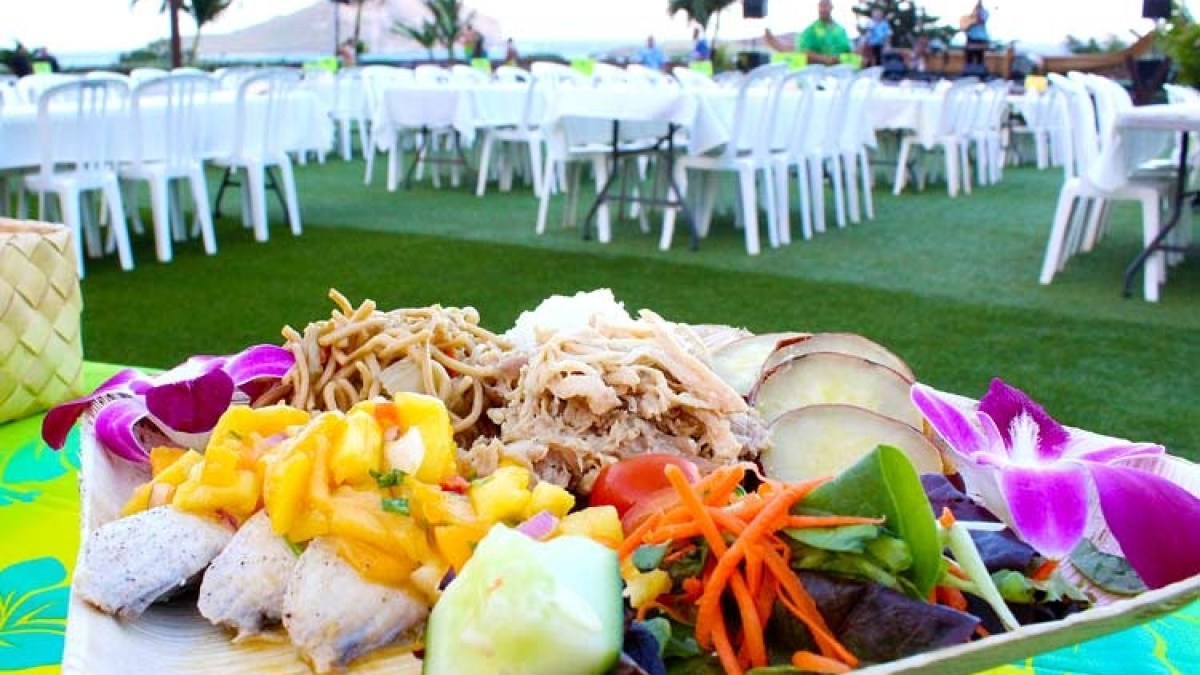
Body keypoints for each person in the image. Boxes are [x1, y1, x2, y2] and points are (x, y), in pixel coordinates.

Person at [763, 0, 852, 64]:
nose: (822, 10)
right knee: (794, 51)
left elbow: (848, 49)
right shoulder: (811, 30)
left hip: (842, 72)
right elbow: (804, 50)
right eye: (821, 6)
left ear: (831, 7)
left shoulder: (841, 30)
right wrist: (825, 59)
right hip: (817, 72)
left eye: (825, 6)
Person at [962, 1, 989, 67]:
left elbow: (981, 20)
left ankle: (979, 72)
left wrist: (977, 14)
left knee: (979, 56)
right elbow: (964, 26)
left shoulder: (984, 12)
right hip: (971, 38)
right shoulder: (968, 15)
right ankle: (969, 72)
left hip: (980, 38)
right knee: (969, 56)